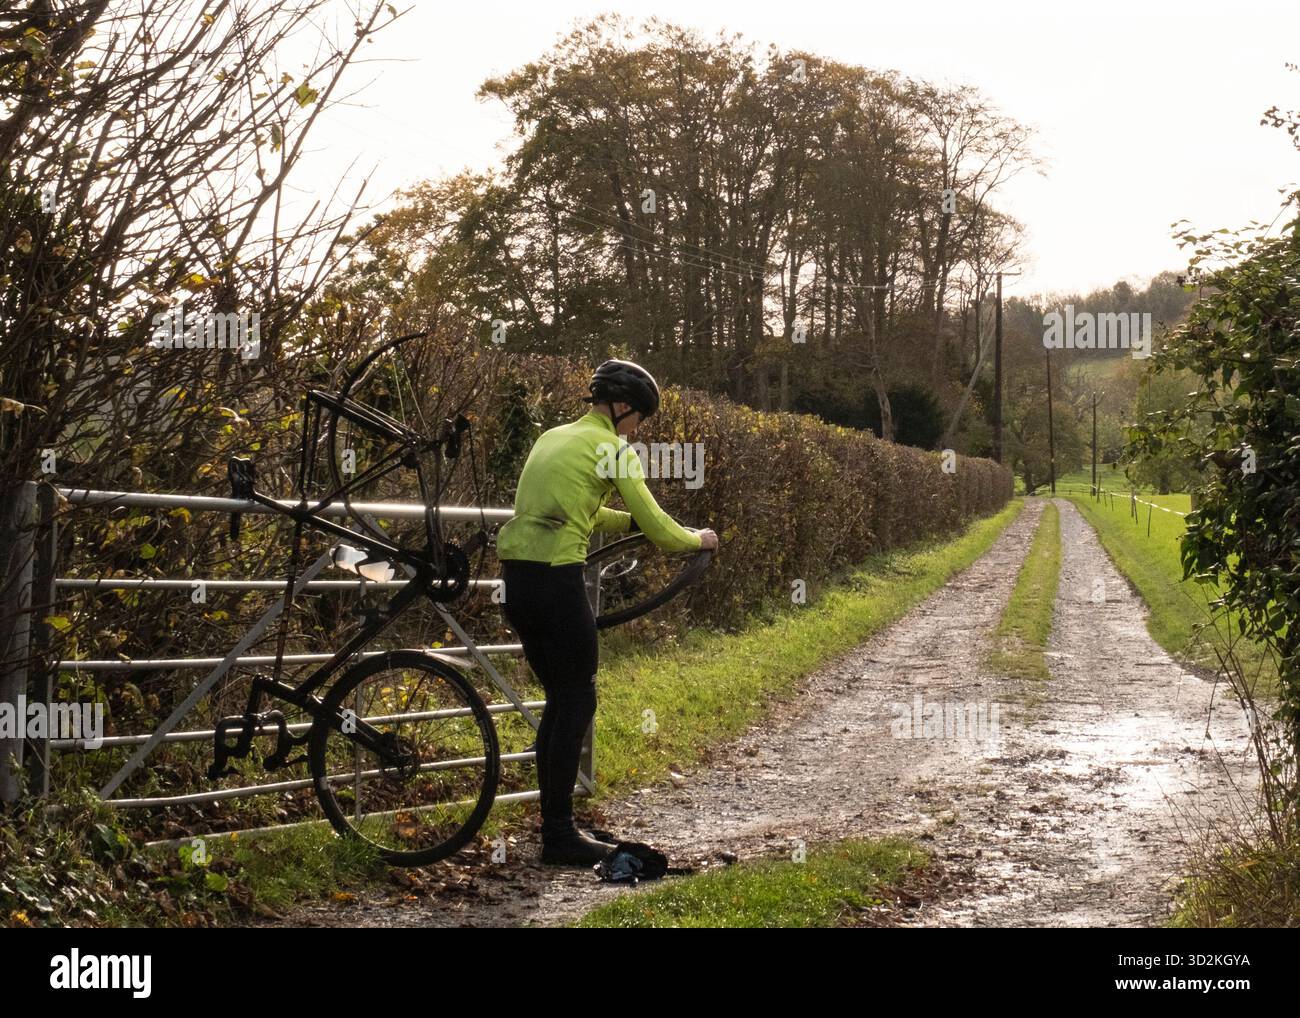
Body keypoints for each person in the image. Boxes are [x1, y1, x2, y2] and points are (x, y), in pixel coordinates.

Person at [495, 359, 719, 866]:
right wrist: (697, 539)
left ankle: (554, 823)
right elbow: (663, 532)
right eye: (639, 418)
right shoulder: (613, 448)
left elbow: (584, 508)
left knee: (561, 697)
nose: (639, 430)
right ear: (622, 408)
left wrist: (629, 524)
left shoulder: (553, 437)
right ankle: (558, 835)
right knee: (577, 698)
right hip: (556, 579)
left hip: (516, 581)